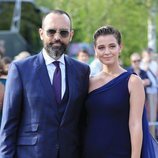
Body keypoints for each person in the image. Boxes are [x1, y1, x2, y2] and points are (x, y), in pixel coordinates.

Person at [0, 10, 90, 158]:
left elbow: (82, 121)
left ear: (71, 35)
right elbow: (9, 125)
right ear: (41, 33)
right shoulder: (21, 69)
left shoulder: (82, 71)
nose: (57, 37)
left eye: (63, 33)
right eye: (51, 32)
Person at [82, 25, 158, 158]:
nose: (107, 52)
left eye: (112, 46)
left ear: (120, 48)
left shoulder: (133, 81)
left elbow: (136, 124)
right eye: (101, 47)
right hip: (90, 151)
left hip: (121, 152)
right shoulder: (88, 82)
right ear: (95, 50)